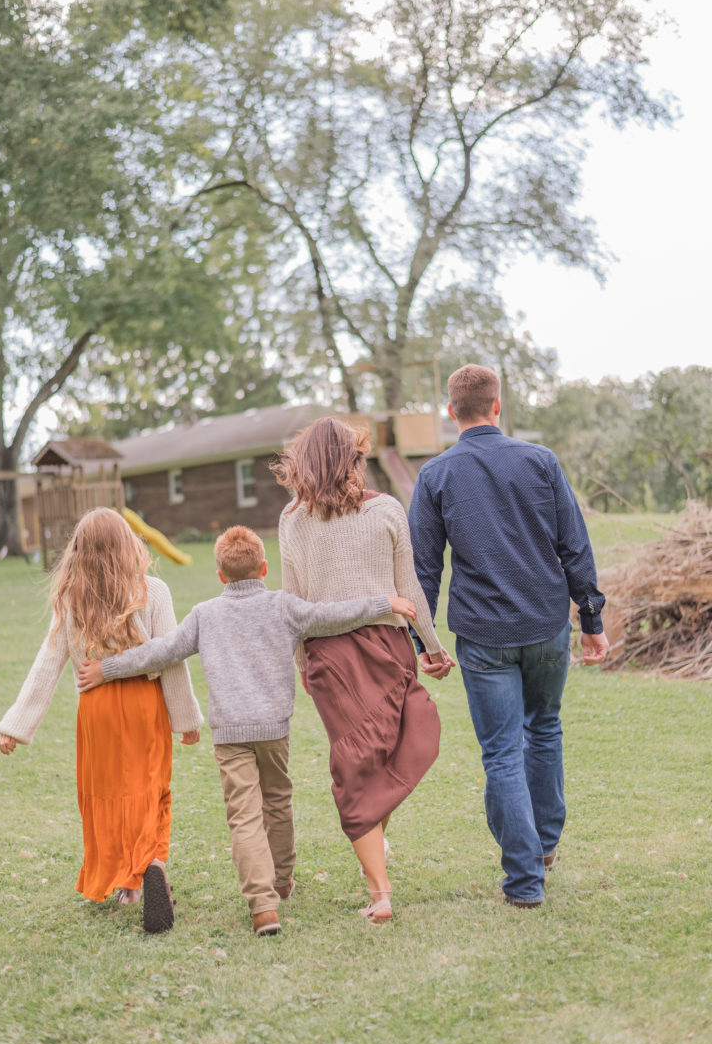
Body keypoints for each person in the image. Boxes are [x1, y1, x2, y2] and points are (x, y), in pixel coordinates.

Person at [78, 524, 418, 936]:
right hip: (274, 730)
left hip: (230, 735)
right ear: (264, 568)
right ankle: (281, 881)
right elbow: (333, 616)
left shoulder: (205, 614)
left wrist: (105, 669)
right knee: (277, 802)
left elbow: (159, 652)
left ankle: (263, 907)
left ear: (220, 576)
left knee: (243, 817)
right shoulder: (284, 606)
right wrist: (386, 602)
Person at [408, 364, 609, 908]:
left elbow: (423, 570)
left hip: (484, 635)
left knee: (501, 753)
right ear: (498, 406)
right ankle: (543, 847)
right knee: (543, 731)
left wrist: (422, 642)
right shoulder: (540, 461)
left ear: (452, 413)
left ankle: (524, 880)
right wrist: (591, 621)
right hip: (547, 626)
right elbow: (576, 546)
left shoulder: (435, 476)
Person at [273, 417, 452, 925]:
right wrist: (432, 649)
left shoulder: (358, 513)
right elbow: (405, 591)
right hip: (356, 651)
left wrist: (431, 648)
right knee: (358, 766)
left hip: (359, 653)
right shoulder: (305, 518)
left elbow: (297, 601)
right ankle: (380, 892)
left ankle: (373, 844)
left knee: (393, 748)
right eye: (357, 454)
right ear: (350, 459)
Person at [0, 508, 203, 934]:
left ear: (78, 551)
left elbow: (47, 665)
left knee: (105, 796)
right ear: (130, 544)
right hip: (147, 705)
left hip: (97, 710)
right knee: (151, 788)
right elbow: (170, 658)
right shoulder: (154, 592)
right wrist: (186, 717)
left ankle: (124, 882)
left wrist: (15, 724)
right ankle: (152, 863)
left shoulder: (73, 597)